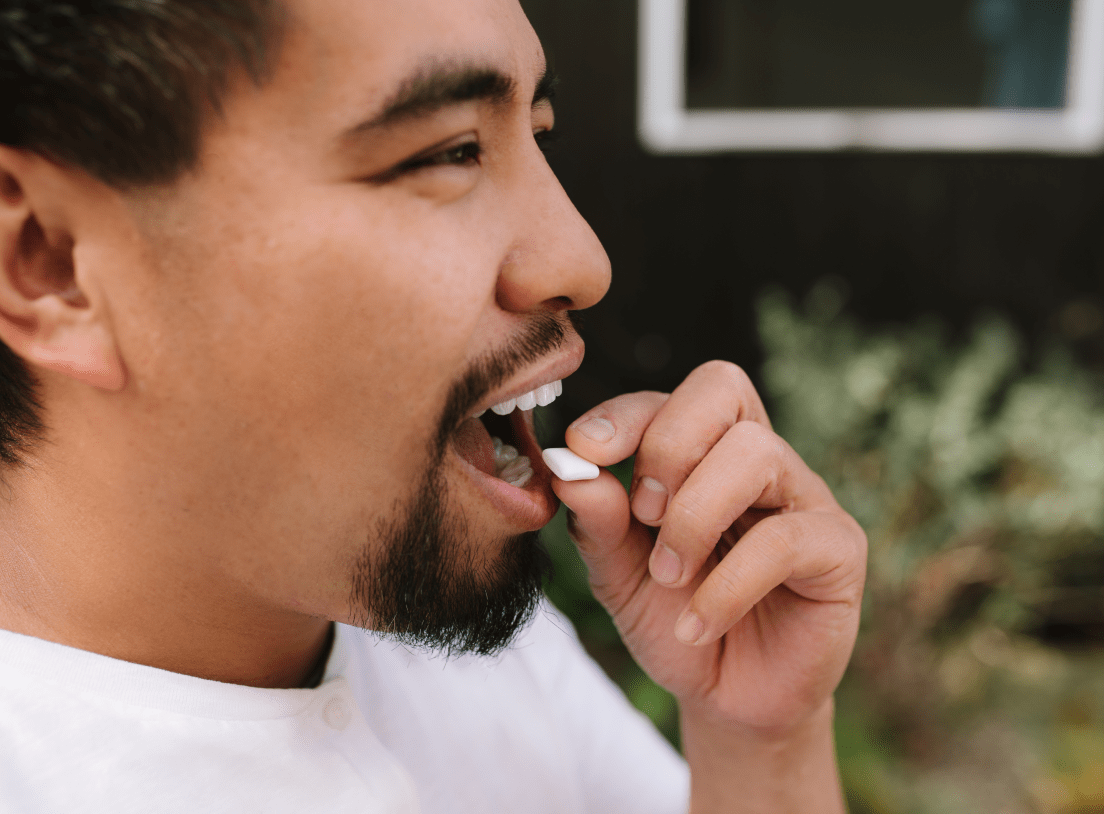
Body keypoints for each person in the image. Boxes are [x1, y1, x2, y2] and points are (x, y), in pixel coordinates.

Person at [0, 0, 867, 811]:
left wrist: (763, 742)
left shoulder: (473, 651)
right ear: (52, 265)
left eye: (538, 133)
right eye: (449, 153)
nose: (581, 260)